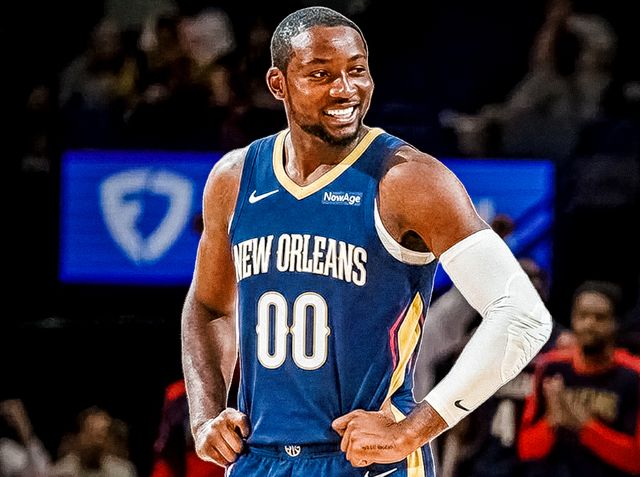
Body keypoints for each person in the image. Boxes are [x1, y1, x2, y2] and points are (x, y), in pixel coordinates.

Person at [181, 6, 552, 477]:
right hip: (259, 458)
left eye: (357, 70)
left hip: (369, 461)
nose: (345, 89)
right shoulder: (234, 178)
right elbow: (209, 305)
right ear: (278, 84)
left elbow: (522, 314)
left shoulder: (409, 179)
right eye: (321, 74)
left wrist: (413, 430)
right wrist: (205, 414)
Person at [518, 281, 640, 476]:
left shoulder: (633, 375)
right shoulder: (550, 367)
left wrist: (585, 427)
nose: (589, 324)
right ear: (573, 319)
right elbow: (526, 450)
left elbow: (636, 462)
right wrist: (552, 420)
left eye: (600, 318)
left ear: (615, 323)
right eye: (582, 316)